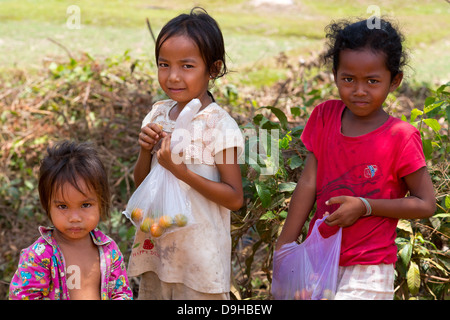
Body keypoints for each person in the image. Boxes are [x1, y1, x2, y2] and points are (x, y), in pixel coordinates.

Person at [275, 18, 436, 299]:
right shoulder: (324, 116)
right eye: (348, 79)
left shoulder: (401, 136)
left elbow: (425, 203)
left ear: (394, 81)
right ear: (335, 74)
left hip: (369, 269)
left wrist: (365, 206)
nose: (359, 90)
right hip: (318, 257)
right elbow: (308, 183)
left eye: (372, 81)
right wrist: (285, 246)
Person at [127, 7, 244, 300]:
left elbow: (234, 197)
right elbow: (142, 182)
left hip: (199, 261)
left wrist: (182, 172)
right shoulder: (158, 113)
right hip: (158, 250)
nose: (173, 76)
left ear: (213, 69)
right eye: (164, 64)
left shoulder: (219, 126)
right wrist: (145, 151)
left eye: (187, 66)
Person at [9, 141, 133, 300]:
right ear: (47, 205)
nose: (75, 218)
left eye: (85, 205)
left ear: (101, 203)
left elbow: (121, 293)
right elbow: (23, 296)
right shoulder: (39, 256)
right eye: (62, 206)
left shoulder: (109, 250)